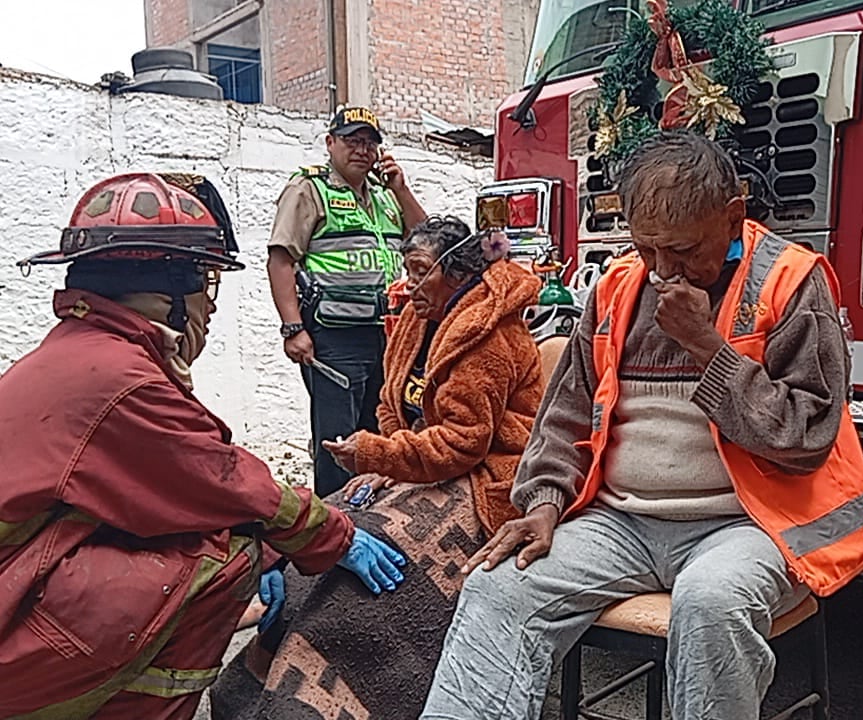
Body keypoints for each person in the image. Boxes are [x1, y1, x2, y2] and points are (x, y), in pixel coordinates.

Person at [421, 131, 863, 720]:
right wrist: (542, 503)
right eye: (648, 249)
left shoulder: (792, 282)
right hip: (622, 524)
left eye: (685, 251)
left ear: (732, 216)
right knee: (499, 586)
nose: (665, 271)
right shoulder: (615, 287)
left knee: (712, 603)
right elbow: (564, 417)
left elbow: (806, 435)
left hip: (749, 523)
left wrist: (706, 347)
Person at [0, 173, 407, 720]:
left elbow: (169, 492)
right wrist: (330, 537)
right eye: (205, 285)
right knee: (225, 560)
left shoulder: (81, 351)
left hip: (22, 577)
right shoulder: (122, 378)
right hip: (17, 610)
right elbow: (224, 480)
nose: (210, 309)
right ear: (167, 292)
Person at [211, 216, 545, 719]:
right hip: (423, 463)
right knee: (336, 521)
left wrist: (376, 456)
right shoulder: (418, 316)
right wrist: (384, 457)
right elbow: (392, 403)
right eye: (406, 270)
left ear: (453, 272)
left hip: (486, 479)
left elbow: (465, 445)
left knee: (372, 558)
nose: (408, 285)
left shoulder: (491, 336)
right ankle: (252, 693)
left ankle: (316, 703)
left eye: (417, 271)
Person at [268, 104, 429, 497]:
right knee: (338, 437)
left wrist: (401, 189)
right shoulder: (309, 188)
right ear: (330, 143)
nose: (362, 150)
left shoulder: (386, 195)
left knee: (382, 430)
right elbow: (281, 259)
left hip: (389, 335)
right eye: (352, 141)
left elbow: (428, 239)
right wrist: (293, 329)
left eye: (370, 143)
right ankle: (333, 523)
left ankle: (374, 513)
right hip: (333, 336)